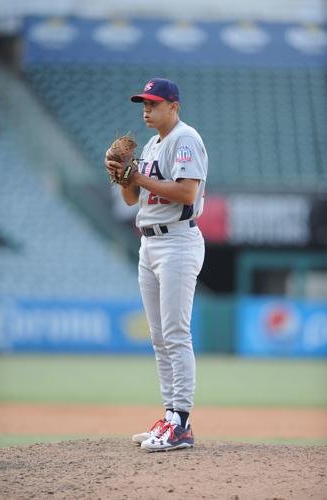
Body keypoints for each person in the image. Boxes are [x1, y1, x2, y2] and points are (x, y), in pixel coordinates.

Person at [106, 78, 208, 451]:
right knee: (158, 337)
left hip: (178, 241)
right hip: (149, 242)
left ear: (173, 106)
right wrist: (122, 175)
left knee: (176, 333)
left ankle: (181, 421)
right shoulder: (152, 144)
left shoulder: (186, 139)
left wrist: (136, 175)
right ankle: (169, 418)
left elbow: (186, 192)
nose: (146, 109)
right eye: (143, 104)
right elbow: (133, 197)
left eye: (154, 103)